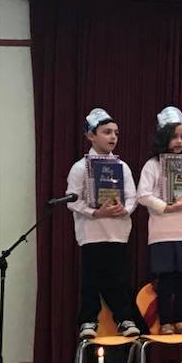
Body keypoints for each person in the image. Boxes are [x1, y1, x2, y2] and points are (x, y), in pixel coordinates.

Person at [68, 107, 140, 339]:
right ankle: (88, 321)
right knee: (90, 280)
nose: (113, 137)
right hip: (91, 234)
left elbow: (133, 197)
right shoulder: (80, 167)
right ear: (91, 135)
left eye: (116, 133)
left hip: (117, 233)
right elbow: (72, 200)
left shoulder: (122, 167)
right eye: (107, 132)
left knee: (119, 279)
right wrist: (94, 212)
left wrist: (124, 209)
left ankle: (125, 319)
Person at [137, 106, 182, 335]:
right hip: (164, 232)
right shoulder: (152, 165)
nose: (179, 141)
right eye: (174, 136)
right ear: (163, 137)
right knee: (165, 279)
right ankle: (165, 321)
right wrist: (166, 207)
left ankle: (180, 320)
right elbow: (143, 195)